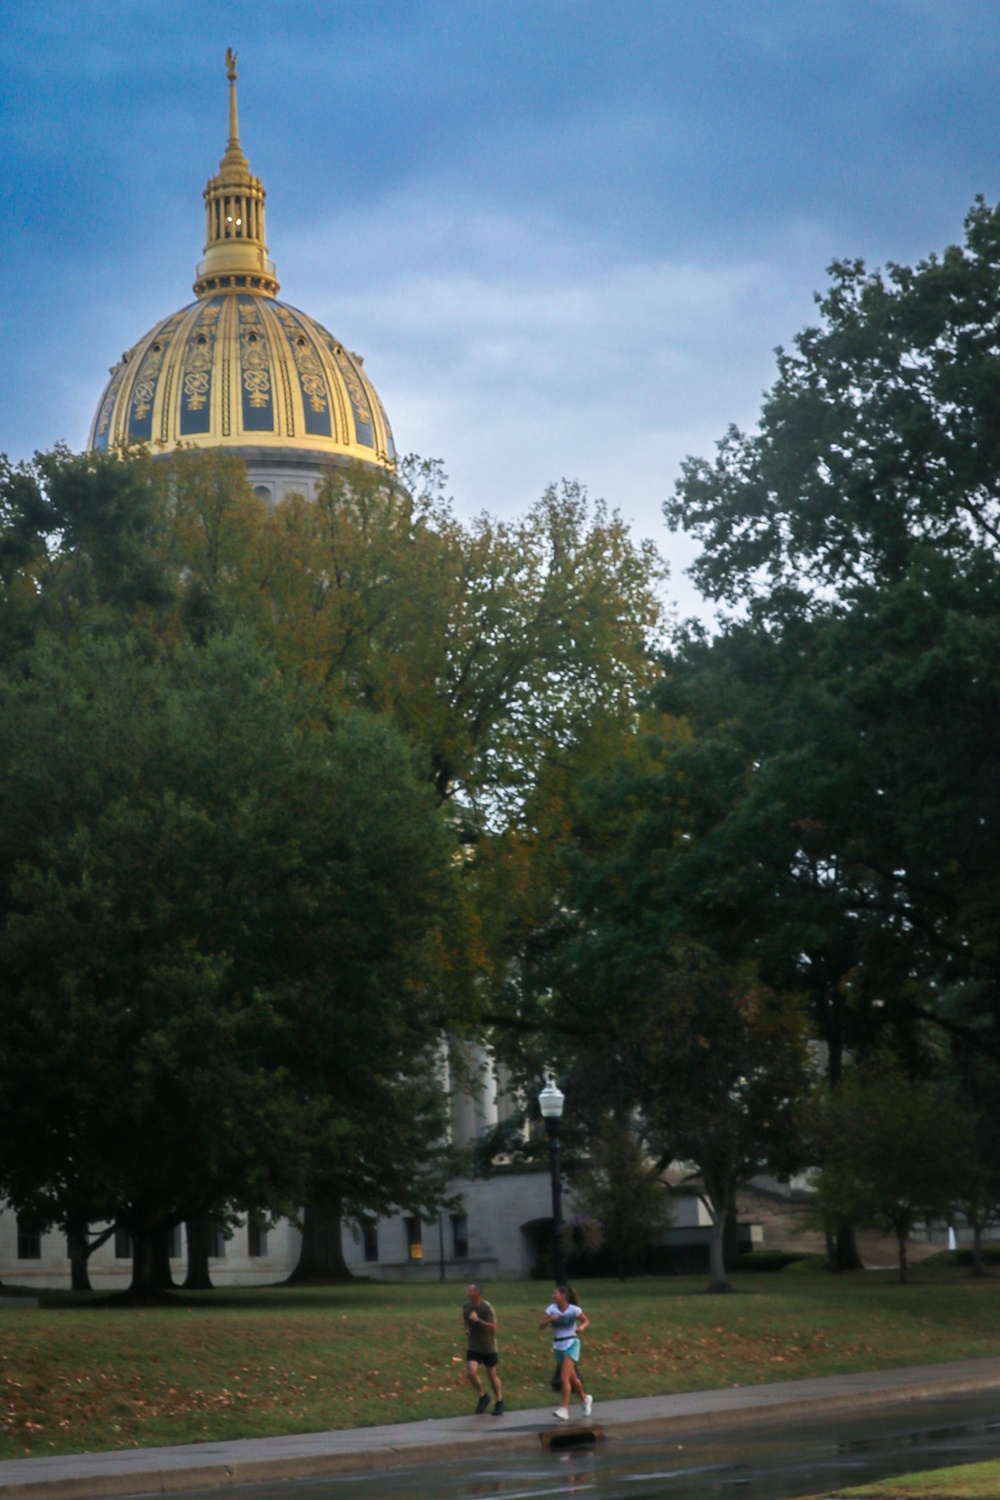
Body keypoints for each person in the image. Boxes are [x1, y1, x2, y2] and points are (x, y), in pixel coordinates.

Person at [540, 1284, 592, 1421]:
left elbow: (586, 1320)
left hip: (572, 1343)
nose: (553, 1296)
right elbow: (541, 1326)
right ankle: (585, 1399)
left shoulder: (574, 1310)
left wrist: (581, 1327)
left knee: (564, 1377)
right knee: (572, 1378)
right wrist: (548, 1319)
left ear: (563, 1296)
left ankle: (564, 1409)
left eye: (556, 1293)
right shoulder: (551, 1309)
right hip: (558, 1344)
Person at [462, 1281, 505, 1415]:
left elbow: (493, 1327)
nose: (467, 1293)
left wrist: (478, 1321)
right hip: (474, 1345)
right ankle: (483, 1396)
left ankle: (499, 1401)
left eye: (470, 1291)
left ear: (477, 1294)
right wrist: (467, 1329)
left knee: (492, 1375)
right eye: (467, 1291)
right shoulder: (466, 1307)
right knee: (471, 1371)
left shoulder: (486, 1308)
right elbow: (465, 1321)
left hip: (488, 1346)